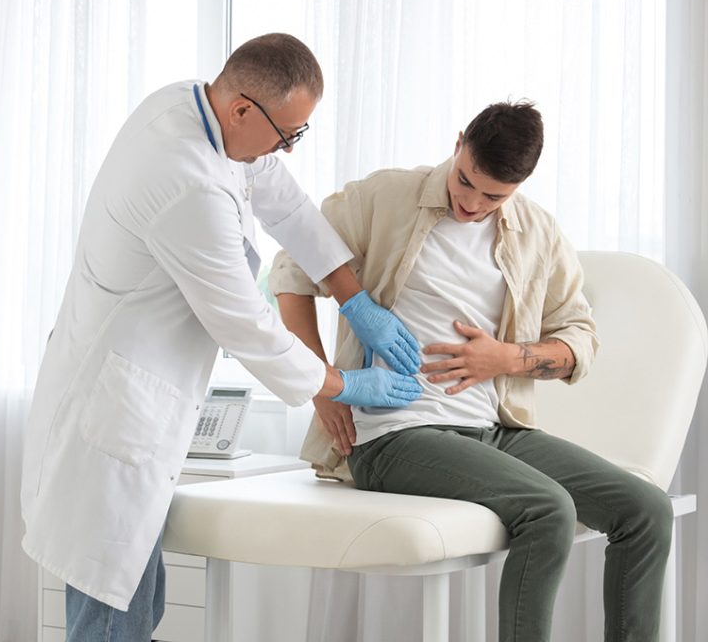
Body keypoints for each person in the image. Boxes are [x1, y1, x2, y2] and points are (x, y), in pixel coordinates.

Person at [20, 33, 422, 642]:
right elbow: (245, 322)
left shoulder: (196, 111)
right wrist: (341, 382)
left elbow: (287, 206)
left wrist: (354, 297)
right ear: (242, 109)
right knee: (110, 619)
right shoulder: (188, 184)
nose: (286, 149)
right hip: (112, 413)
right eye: (286, 135)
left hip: (131, 396)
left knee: (136, 607)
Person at [270, 100, 674, 642]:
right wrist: (320, 384)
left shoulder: (537, 233)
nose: (471, 203)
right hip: (396, 432)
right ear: (458, 143)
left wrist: (507, 358)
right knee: (548, 510)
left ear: (520, 185)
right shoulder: (385, 196)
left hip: (494, 429)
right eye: (466, 182)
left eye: (493, 196)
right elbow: (291, 270)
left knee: (646, 510)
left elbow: (580, 339)